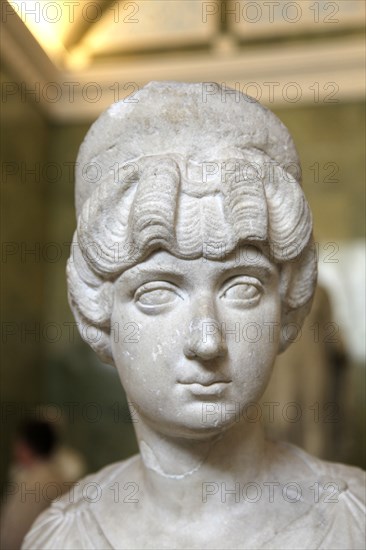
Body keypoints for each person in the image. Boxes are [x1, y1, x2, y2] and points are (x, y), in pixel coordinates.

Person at [22, 82, 365, 549]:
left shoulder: (354, 521)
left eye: (241, 287)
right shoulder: (63, 538)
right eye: (158, 292)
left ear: (286, 306)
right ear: (99, 315)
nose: (207, 341)